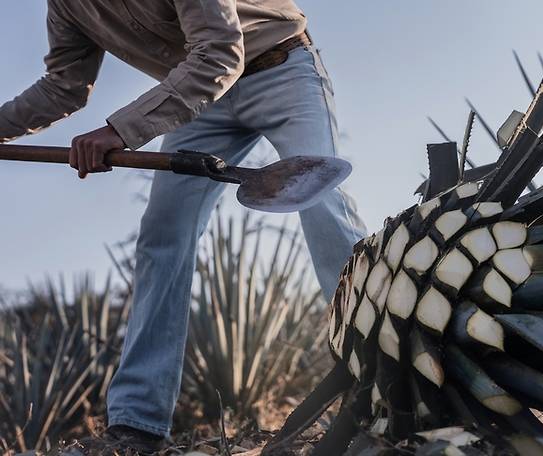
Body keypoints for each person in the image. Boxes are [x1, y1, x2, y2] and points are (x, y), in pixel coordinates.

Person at [0, 1, 366, 453]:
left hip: (279, 68)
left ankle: (384, 377)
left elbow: (219, 52)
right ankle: (137, 425)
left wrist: (119, 131)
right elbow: (64, 87)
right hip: (200, 100)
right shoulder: (66, 5)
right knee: (162, 236)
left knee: (320, 201)